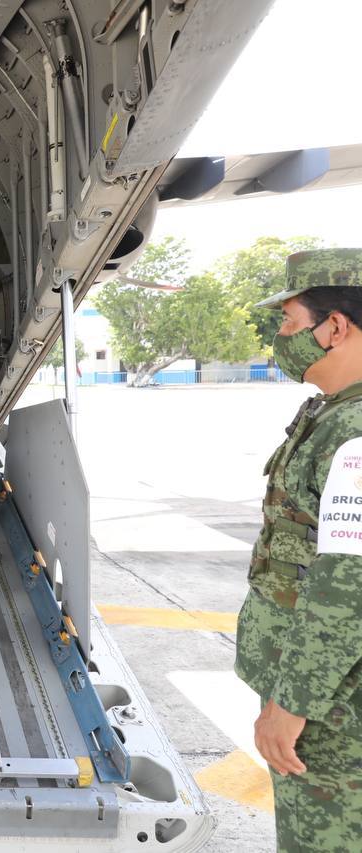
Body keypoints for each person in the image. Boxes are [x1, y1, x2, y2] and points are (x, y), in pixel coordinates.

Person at [235, 249, 362, 852]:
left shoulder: (354, 432)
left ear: (334, 327)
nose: (282, 337)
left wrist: (292, 703)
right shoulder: (332, 415)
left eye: (289, 322)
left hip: (335, 711)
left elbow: (348, 586)